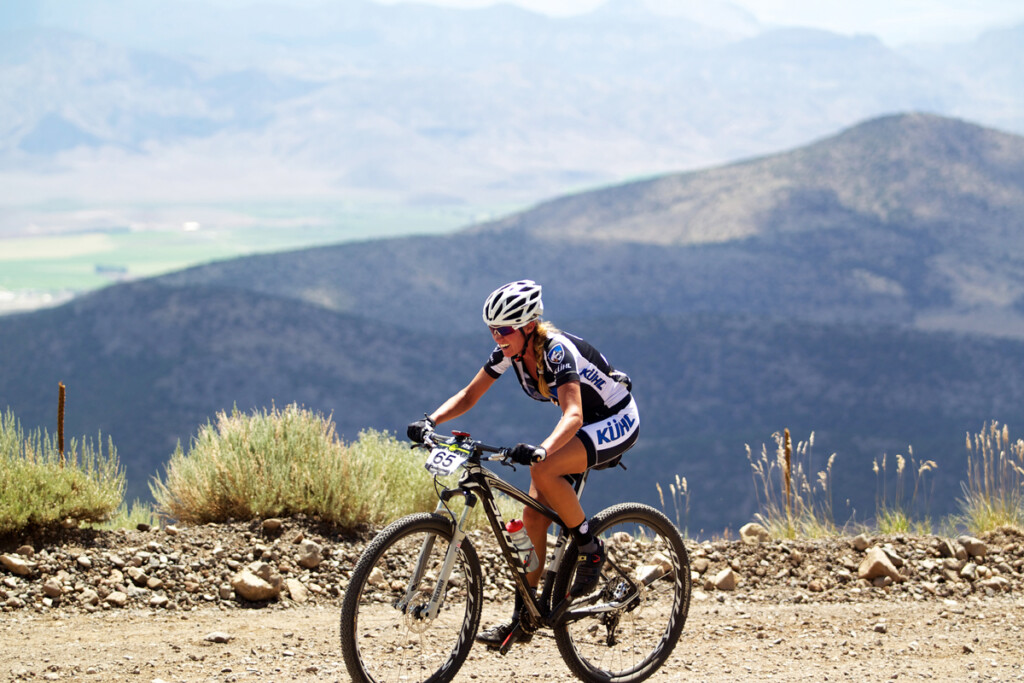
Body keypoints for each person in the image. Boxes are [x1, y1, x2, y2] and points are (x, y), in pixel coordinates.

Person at [407, 279, 640, 650]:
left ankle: (590, 548)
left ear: (529, 326)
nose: (496, 337)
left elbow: (574, 414)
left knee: (542, 469)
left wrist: (542, 450)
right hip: (580, 424)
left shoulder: (557, 352)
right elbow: (469, 394)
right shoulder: (509, 353)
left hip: (615, 419)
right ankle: (525, 617)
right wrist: (430, 421)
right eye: (492, 329)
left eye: (504, 330)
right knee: (532, 517)